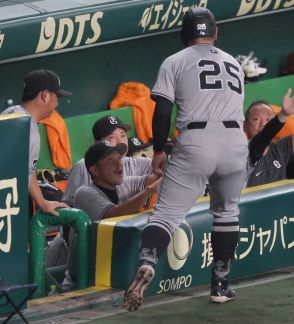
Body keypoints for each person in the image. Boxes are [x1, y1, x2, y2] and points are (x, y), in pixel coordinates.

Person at [123, 7, 249, 311]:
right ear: (215, 34)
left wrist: (159, 150)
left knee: (166, 215)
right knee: (227, 212)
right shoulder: (234, 62)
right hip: (235, 140)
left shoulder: (175, 61)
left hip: (196, 139)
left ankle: (148, 261)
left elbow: (163, 111)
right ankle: (220, 285)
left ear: (184, 36)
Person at [63, 141, 161, 290]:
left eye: (119, 158)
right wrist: (149, 191)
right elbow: (114, 214)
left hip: (109, 279)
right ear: (94, 170)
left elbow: (153, 181)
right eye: (110, 160)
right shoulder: (84, 193)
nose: (118, 164)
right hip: (81, 285)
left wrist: (165, 168)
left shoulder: (123, 184)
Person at [1, 69, 71, 216]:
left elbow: (26, 169)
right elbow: (26, 172)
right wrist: (43, 203)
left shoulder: (11, 112)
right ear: (45, 96)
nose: (57, 103)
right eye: (56, 96)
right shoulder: (28, 127)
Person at [62, 115, 153, 207]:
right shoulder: (83, 167)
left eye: (123, 135)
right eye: (112, 138)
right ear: (97, 143)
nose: (120, 142)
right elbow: (69, 207)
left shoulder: (140, 164)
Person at [244, 88, 294, 187]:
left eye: (268, 120)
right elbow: (263, 137)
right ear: (245, 125)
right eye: (256, 119)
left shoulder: (281, 147)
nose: (263, 124)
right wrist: (283, 115)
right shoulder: (243, 152)